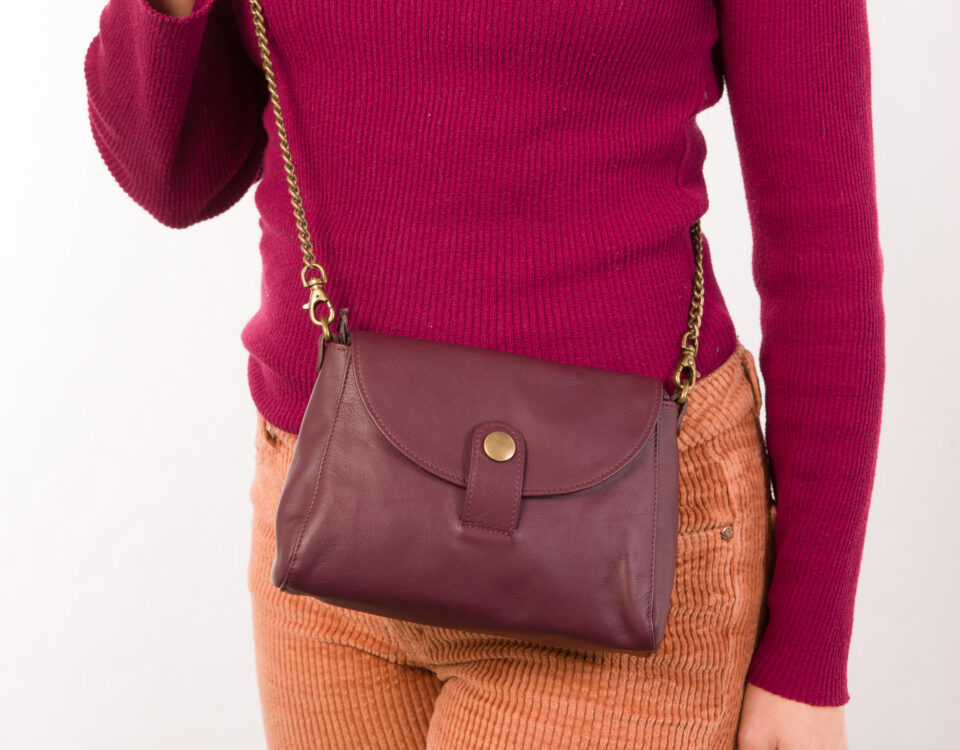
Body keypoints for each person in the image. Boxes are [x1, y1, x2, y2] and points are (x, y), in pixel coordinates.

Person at [83, 0, 885, 748]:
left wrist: (807, 656)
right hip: (325, 516)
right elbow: (174, 176)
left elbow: (822, 254)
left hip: (619, 531)